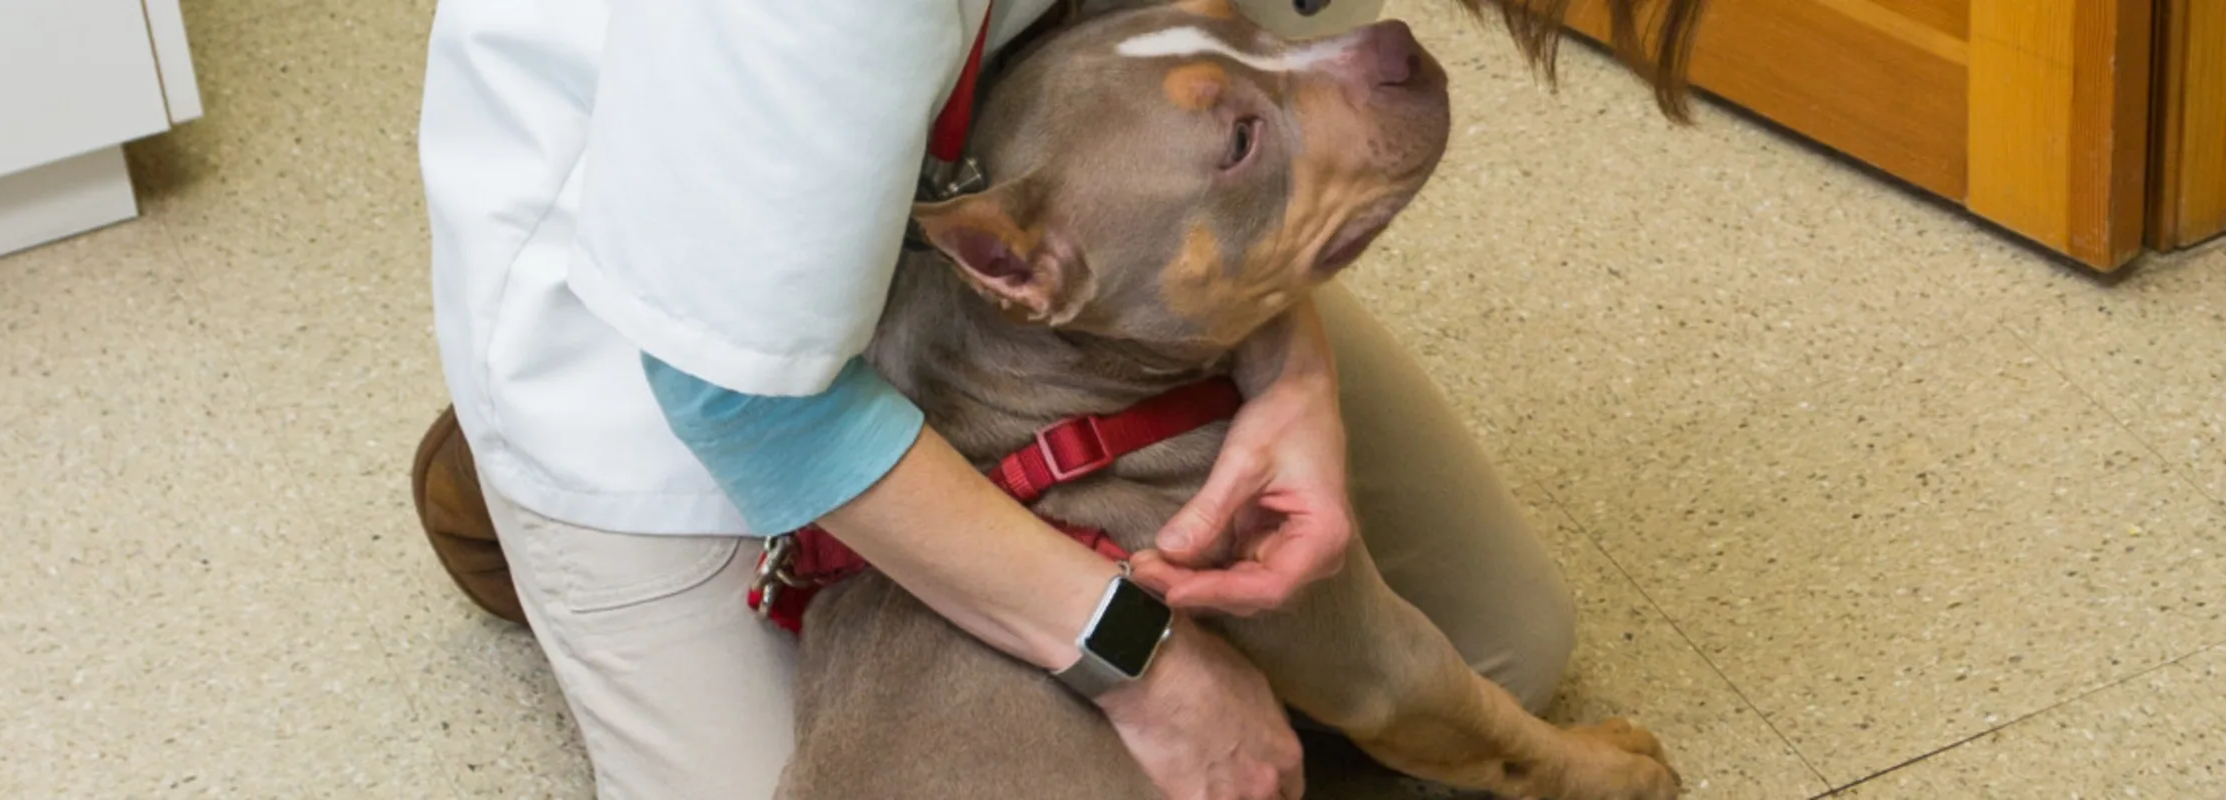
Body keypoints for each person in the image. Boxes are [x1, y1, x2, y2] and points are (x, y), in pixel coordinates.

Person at [411, 1, 1708, 798]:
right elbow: (735, 401)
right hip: (673, 368)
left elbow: (1181, 90)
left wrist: (1288, 373)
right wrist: (1140, 661)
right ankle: (515, 504)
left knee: (1503, 654)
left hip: (1039, 275)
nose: (1394, 42)